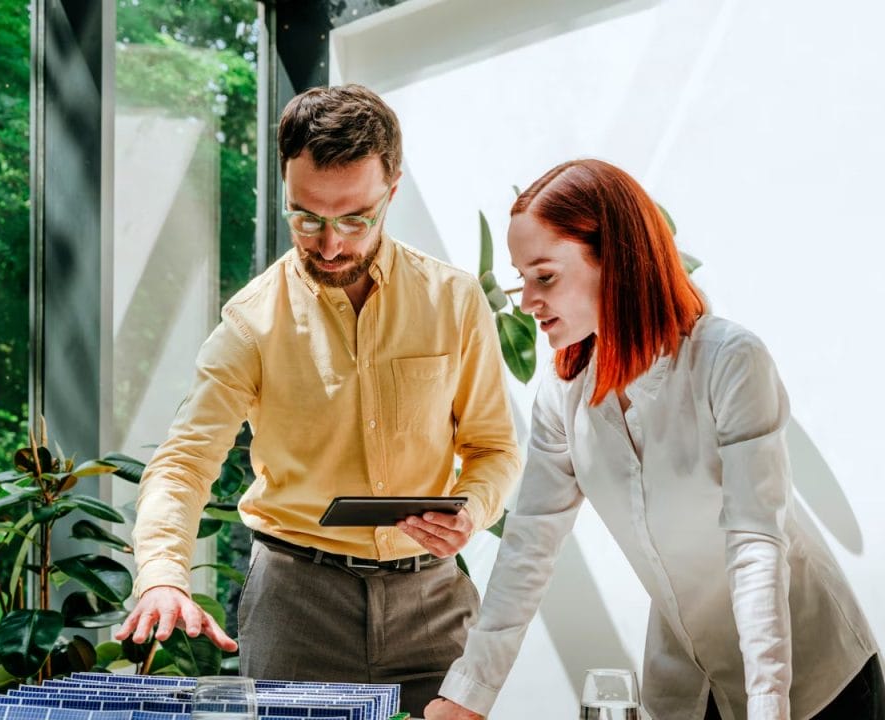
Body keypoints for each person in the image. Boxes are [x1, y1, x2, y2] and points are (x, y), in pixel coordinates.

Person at [112, 84, 522, 717]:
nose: (330, 245)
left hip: (435, 606)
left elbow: (493, 448)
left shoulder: (455, 302)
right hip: (296, 609)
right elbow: (184, 461)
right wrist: (163, 573)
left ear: (393, 190)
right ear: (285, 188)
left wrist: (472, 507)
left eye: (355, 218)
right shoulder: (252, 321)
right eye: (306, 217)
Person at [427, 159, 881, 720]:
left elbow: (755, 546)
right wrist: (465, 699)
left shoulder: (728, 361)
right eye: (523, 279)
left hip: (811, 684)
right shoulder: (565, 392)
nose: (526, 302)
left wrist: (769, 708)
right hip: (688, 687)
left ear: (612, 261)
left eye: (545, 276)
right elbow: (529, 545)